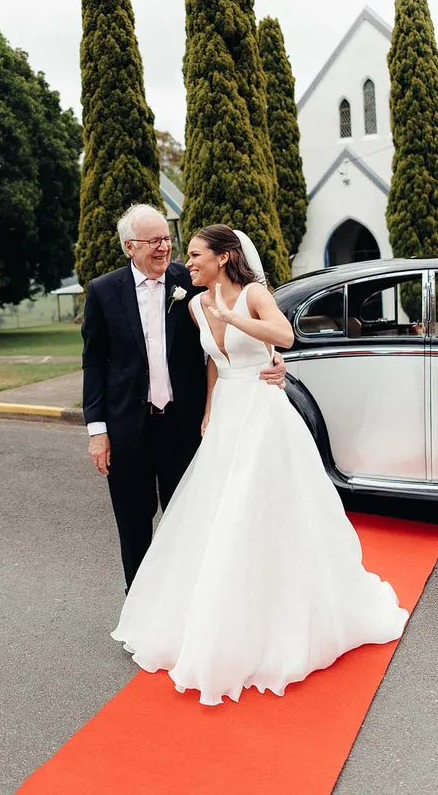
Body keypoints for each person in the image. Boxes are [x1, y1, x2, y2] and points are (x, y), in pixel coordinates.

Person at [111, 224, 409, 705]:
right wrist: (208, 408)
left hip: (263, 410)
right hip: (227, 409)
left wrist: (236, 319)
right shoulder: (192, 304)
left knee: (261, 504)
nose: (188, 263)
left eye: (196, 254)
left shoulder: (252, 293)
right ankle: (216, 616)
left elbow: (284, 336)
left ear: (224, 258)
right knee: (217, 510)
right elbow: (212, 361)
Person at [82, 205, 286, 592]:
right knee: (133, 521)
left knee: (192, 519)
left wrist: (275, 358)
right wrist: (97, 430)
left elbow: (235, 331)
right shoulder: (104, 291)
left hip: (184, 425)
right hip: (127, 427)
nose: (165, 248)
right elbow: (93, 363)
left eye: (167, 239)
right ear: (130, 247)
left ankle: (189, 605)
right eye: (154, 241)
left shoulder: (191, 281)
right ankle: (141, 608)